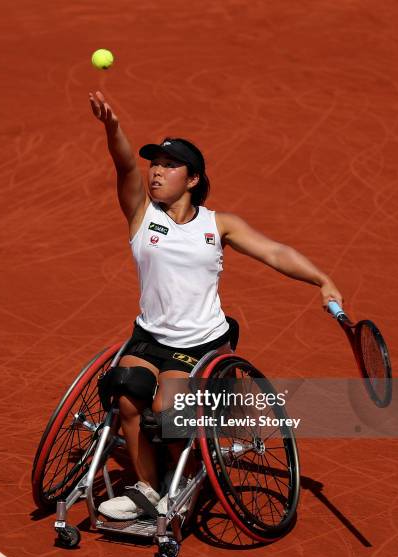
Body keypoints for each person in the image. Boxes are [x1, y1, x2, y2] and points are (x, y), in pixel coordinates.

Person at [89, 90, 343, 520]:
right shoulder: (140, 214)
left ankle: (183, 480)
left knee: (167, 410)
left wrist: (322, 279)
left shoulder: (217, 225)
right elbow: (124, 164)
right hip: (150, 334)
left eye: (169, 165)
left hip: (201, 340)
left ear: (192, 179)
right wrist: (113, 128)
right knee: (127, 394)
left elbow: (275, 252)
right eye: (156, 164)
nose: (156, 172)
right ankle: (149, 488)